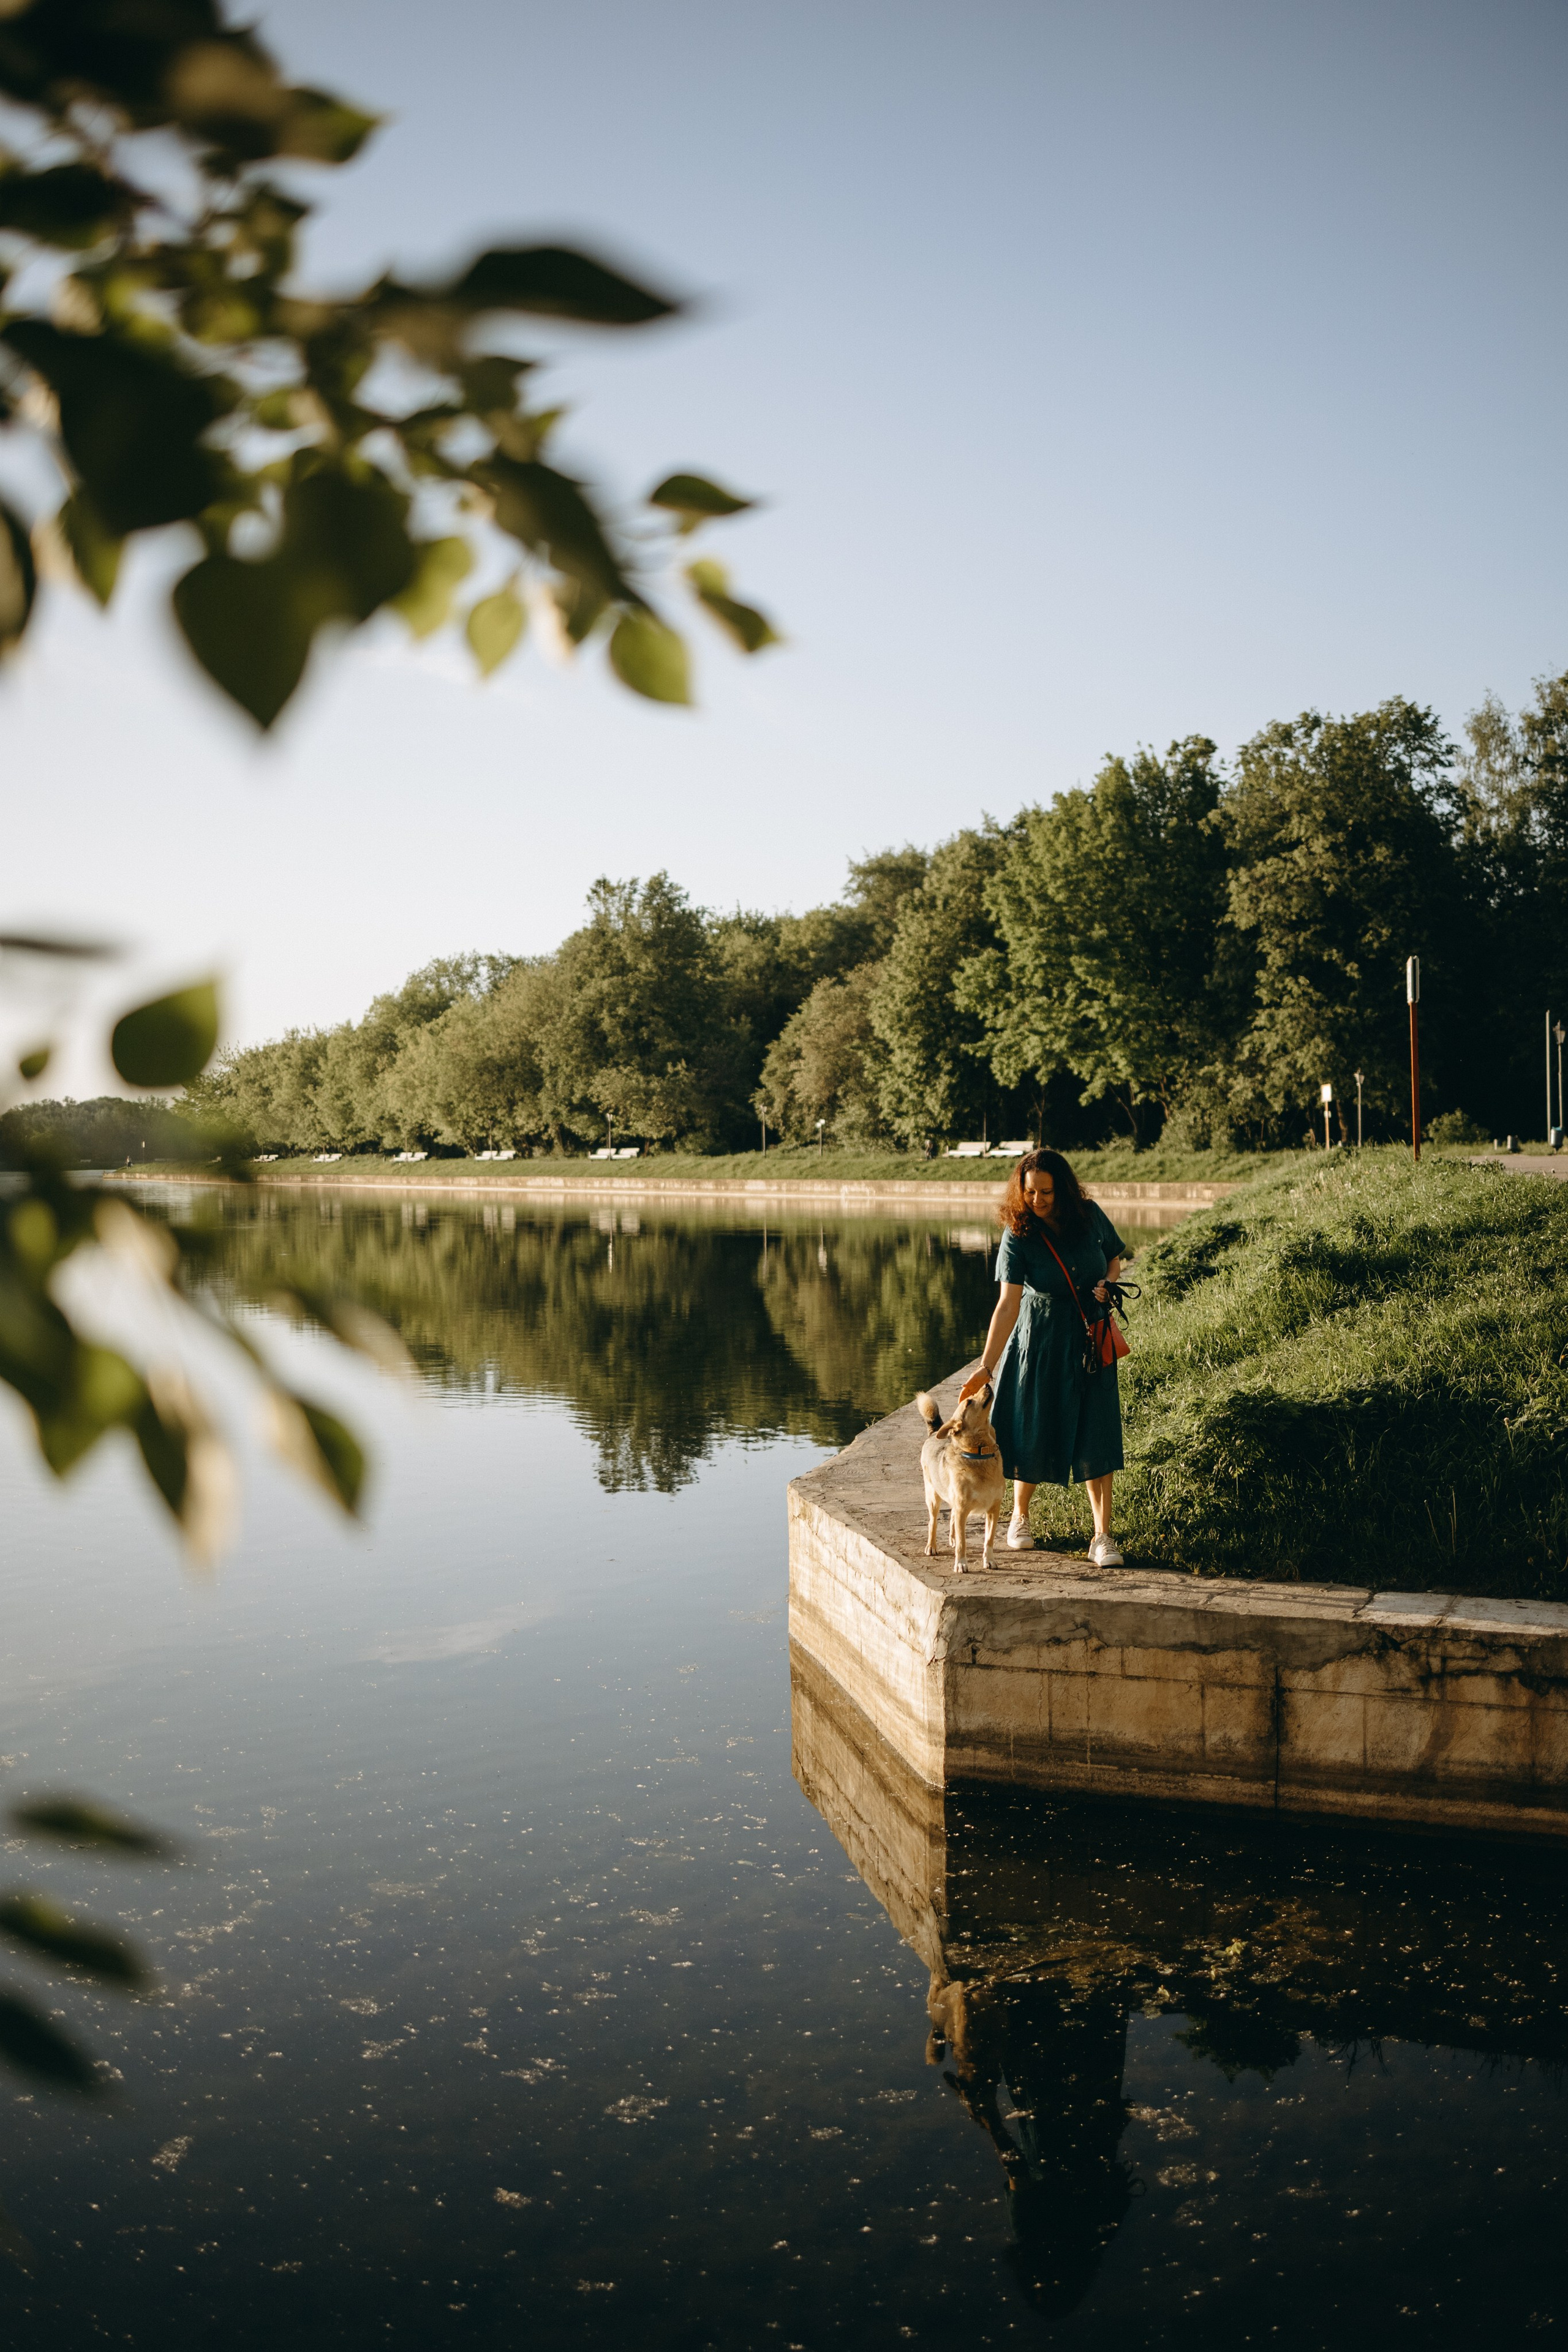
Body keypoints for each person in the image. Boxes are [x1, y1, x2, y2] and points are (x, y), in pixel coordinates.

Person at [958, 1148, 1127, 1564]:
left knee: (1096, 1432)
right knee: (1029, 1426)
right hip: (1040, 1341)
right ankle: (1020, 1516)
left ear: (1063, 1188)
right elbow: (1007, 1305)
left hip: (1090, 1335)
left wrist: (1107, 1282)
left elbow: (1113, 1258)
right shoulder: (1019, 1233)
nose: (1038, 1200)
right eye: (1030, 1192)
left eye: (1046, 1192)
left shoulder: (1088, 1215)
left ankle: (1102, 1537)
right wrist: (986, 1365)